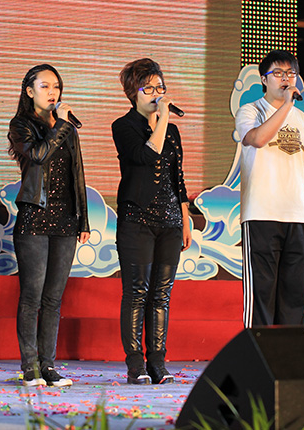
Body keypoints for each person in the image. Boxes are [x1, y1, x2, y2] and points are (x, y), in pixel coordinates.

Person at [7, 64, 90, 387]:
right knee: (32, 295)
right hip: (35, 216)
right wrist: (62, 126)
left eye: (56, 86)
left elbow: (77, 174)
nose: (52, 92)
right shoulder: (21, 125)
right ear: (30, 91)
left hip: (66, 218)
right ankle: (30, 366)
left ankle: (49, 366)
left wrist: (83, 219)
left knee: (54, 298)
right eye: (45, 86)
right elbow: (39, 155)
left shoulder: (68, 129)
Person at [112, 58, 191, 385]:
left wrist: (185, 219)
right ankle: (136, 364)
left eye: (161, 87)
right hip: (137, 219)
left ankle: (158, 362)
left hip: (170, 221)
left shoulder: (171, 131)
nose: (157, 94)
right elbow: (147, 155)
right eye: (149, 89)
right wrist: (162, 118)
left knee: (161, 294)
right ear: (133, 93)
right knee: (137, 291)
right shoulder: (124, 126)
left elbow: (178, 177)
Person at [235, 50, 304, 329]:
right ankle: (258, 352)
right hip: (262, 213)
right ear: (264, 79)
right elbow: (258, 139)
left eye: (291, 73)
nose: (286, 78)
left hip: (298, 216)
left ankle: (289, 353)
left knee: (294, 294)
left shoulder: (301, 119)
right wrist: (285, 106)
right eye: (278, 73)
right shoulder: (250, 110)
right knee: (261, 293)